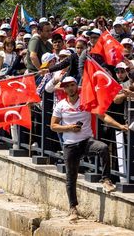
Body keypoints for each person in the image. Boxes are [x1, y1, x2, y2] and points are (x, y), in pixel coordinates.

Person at [50, 76, 129, 222]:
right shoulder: (60, 105)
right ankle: (73, 208)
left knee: (103, 148)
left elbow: (102, 116)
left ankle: (105, 179)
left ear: (76, 86)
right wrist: (69, 128)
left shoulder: (87, 101)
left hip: (86, 141)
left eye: (73, 85)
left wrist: (119, 126)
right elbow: (53, 126)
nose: (70, 88)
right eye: (67, 86)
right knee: (70, 178)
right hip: (69, 145)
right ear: (64, 89)